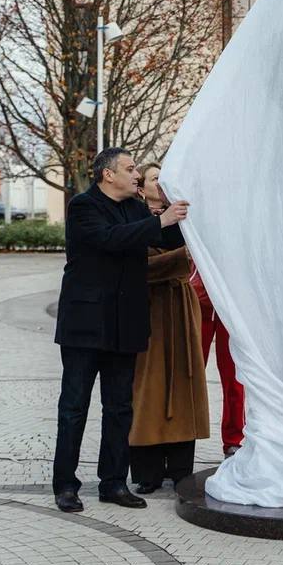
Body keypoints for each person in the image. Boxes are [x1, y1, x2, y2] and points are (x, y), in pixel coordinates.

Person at [52, 148, 189, 513]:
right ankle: (66, 485)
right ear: (107, 174)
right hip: (84, 326)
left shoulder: (135, 208)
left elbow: (164, 240)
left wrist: (186, 220)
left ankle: (113, 482)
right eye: (130, 170)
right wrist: (159, 222)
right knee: (74, 407)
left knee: (119, 408)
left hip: (124, 325)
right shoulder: (83, 207)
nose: (137, 176)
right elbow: (112, 239)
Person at [128, 163, 211, 493]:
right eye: (152, 178)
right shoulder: (133, 217)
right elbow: (137, 265)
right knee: (149, 388)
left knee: (183, 383)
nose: (160, 183)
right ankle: (147, 471)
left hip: (181, 307)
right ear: (142, 187)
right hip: (149, 310)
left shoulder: (184, 218)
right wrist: (181, 257)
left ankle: (179, 468)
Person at [191, 268, 246, 458]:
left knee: (234, 377)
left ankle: (233, 439)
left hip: (230, 304)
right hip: (199, 301)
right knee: (189, 375)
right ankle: (180, 440)